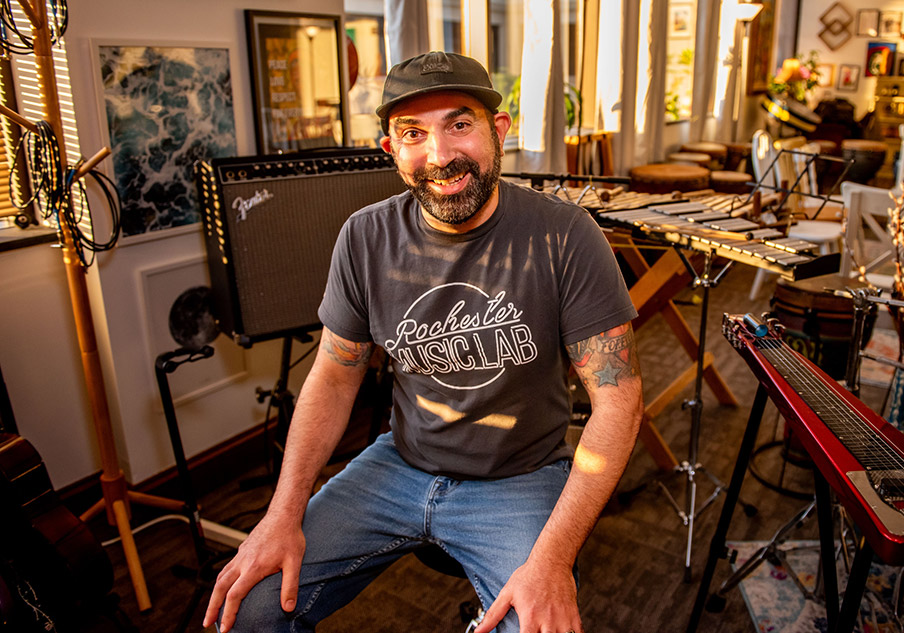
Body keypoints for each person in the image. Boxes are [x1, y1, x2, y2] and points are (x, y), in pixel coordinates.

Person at [203, 51, 644, 633]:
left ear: (499, 131)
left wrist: (553, 559)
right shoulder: (364, 237)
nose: (440, 155)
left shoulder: (563, 235)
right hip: (399, 465)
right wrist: (281, 515)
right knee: (251, 608)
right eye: (414, 133)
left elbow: (618, 400)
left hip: (522, 476)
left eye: (460, 125)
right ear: (390, 149)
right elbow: (334, 377)